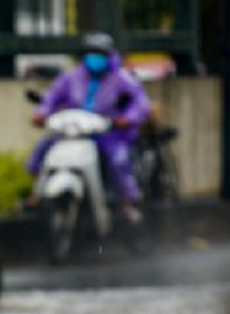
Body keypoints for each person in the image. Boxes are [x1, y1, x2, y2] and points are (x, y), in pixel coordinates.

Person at [26, 32, 151, 223]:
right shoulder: (72, 77)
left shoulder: (121, 78)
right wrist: (42, 113)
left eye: (99, 54)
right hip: (75, 132)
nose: (94, 59)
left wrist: (127, 118)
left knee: (118, 160)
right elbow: (52, 97)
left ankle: (126, 203)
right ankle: (37, 194)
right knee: (44, 148)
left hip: (108, 133)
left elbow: (140, 103)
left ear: (109, 56)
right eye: (90, 54)